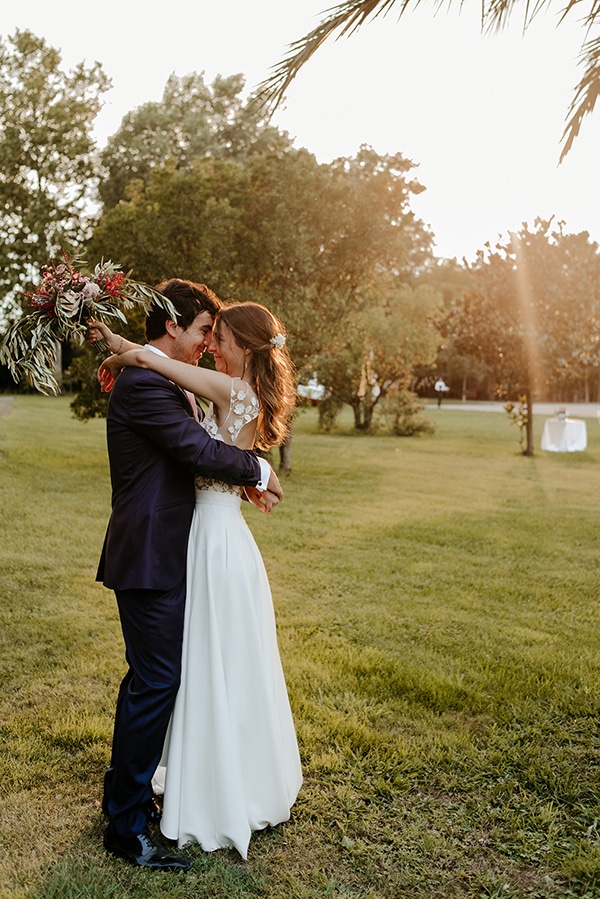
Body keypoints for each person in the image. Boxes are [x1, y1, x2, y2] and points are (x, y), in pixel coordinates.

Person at [92, 299, 302, 862]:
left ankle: (176, 795)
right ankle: (139, 808)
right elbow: (196, 447)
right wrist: (256, 471)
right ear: (173, 326)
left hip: (210, 541)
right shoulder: (176, 386)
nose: (212, 343)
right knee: (179, 674)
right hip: (191, 544)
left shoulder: (223, 389)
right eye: (207, 331)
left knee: (192, 671)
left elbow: (199, 444)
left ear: (246, 346)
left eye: (221, 336)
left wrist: (121, 347)